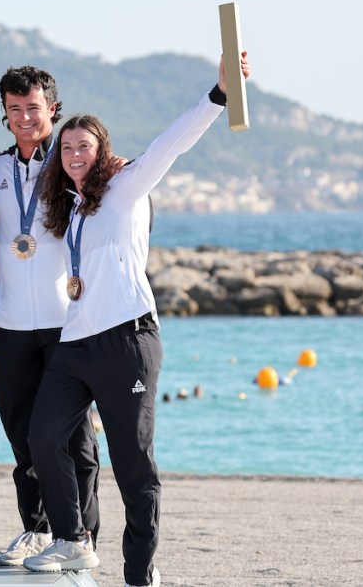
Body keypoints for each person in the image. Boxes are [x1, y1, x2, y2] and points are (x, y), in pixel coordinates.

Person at [22, 53, 251, 587]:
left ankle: (138, 573)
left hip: (128, 340)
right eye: (68, 146)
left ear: (102, 152)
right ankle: (73, 542)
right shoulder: (71, 209)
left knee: (132, 463)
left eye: (85, 145)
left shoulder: (125, 189)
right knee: (43, 436)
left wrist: (217, 95)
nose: (74, 153)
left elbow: (171, 143)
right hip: (75, 343)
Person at [0, 65, 101, 567]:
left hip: (66, 325)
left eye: (33, 107)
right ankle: (37, 530)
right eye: (15, 109)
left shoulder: (74, 165)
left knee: (74, 438)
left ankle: (83, 536)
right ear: (6, 115)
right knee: (22, 433)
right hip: (9, 324)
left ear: (51, 109)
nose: (25, 117)